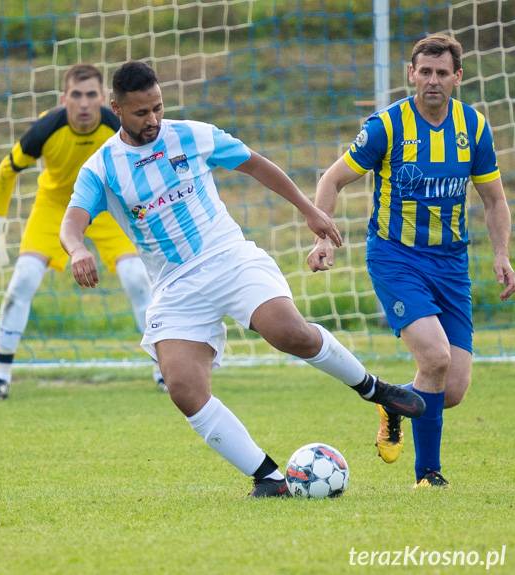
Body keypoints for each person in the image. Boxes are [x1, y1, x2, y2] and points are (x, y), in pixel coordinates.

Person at [60, 61, 426, 497]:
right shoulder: (101, 168)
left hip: (229, 257)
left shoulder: (192, 134)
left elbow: (256, 165)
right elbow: (72, 221)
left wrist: (309, 209)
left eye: (158, 107)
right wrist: (78, 248)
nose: (153, 119)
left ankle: (376, 391)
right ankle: (269, 478)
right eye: (141, 113)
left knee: (289, 332)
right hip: (175, 287)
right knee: (182, 388)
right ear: (116, 108)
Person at [307, 34, 513, 488]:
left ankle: (393, 401)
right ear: (411, 74)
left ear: (458, 77)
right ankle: (428, 476)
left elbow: (494, 200)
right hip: (396, 259)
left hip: (451, 265)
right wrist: (324, 239)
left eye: (443, 73)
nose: (433, 81)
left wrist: (501, 253)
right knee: (435, 357)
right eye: (425, 72)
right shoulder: (386, 126)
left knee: (451, 389)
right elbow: (332, 179)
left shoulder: (474, 128)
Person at [0, 63, 162, 400]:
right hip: (55, 207)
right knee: (23, 282)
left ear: (104, 99)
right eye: (76, 95)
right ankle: (0, 376)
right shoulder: (47, 128)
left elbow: (151, 161)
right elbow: (7, 170)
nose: (84, 104)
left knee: (137, 278)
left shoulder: (117, 124)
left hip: (107, 208)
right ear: (64, 99)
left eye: (91, 95)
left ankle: (163, 368)